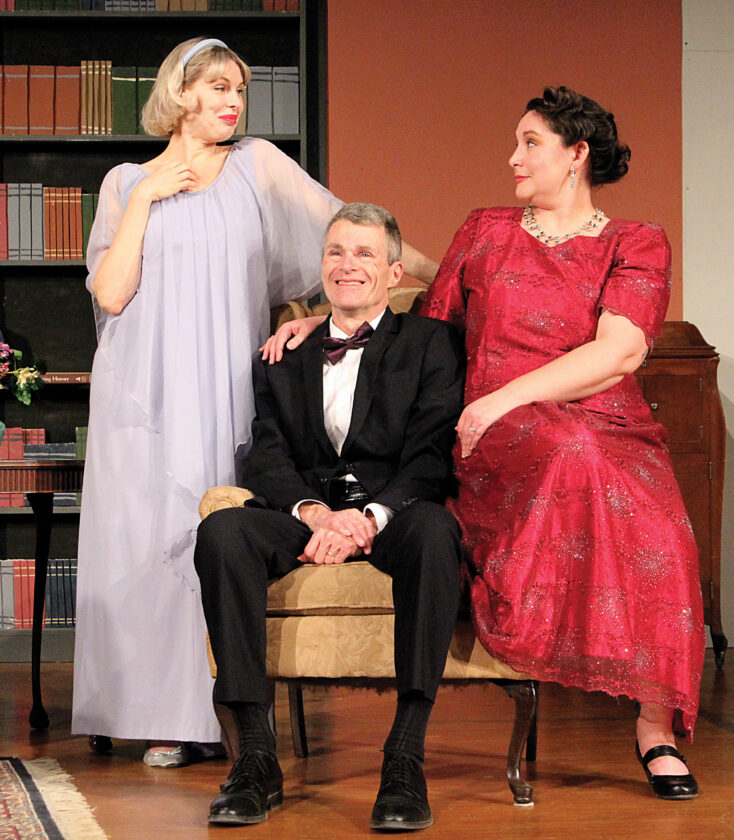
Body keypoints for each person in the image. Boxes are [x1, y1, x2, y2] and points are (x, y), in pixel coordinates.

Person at [72, 37, 437, 767]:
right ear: (179, 93)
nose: (233, 101)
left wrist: (448, 276)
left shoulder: (257, 166)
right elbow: (110, 294)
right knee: (146, 538)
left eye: (239, 88)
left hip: (224, 382)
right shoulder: (124, 183)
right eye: (217, 87)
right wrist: (147, 196)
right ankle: (161, 715)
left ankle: (222, 714)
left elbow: (349, 239)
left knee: (213, 532)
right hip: (141, 393)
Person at [420, 86, 705, 800]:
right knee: (569, 451)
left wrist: (504, 395)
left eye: (530, 143)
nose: (512, 158)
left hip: (604, 421)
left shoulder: (635, 242)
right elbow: (427, 326)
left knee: (665, 532)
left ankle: (655, 728)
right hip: (505, 434)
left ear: (577, 154)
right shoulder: (485, 230)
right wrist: (333, 319)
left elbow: (618, 353)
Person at [194, 202, 465, 829]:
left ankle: (405, 757)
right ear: (321, 265)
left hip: (392, 513)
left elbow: (431, 454)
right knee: (223, 531)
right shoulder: (283, 351)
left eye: (365, 253)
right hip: (308, 510)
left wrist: (370, 517)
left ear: (393, 272)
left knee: (435, 531)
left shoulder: (432, 344)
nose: (347, 265)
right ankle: (256, 756)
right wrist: (316, 514)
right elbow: (266, 454)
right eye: (336, 252)